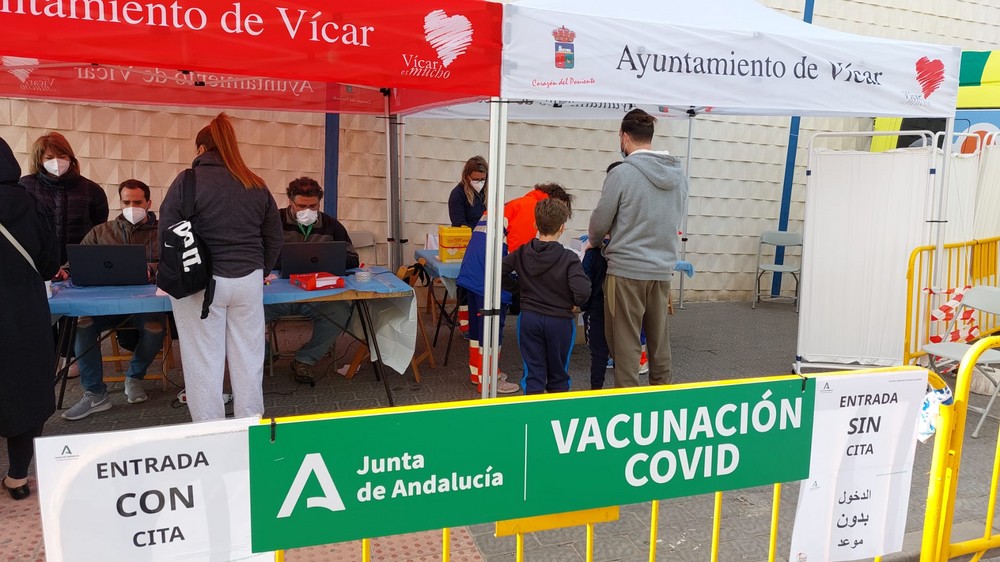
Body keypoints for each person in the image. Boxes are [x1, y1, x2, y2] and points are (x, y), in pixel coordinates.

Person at [159, 112, 283, 422]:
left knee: (204, 360)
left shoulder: (188, 181)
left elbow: (167, 233)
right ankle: (250, 425)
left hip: (201, 283)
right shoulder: (255, 183)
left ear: (201, 150)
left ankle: (210, 433)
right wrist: (261, 269)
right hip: (248, 280)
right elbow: (274, 235)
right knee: (248, 356)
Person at [588, 109, 688, 387]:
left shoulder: (622, 174)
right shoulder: (678, 175)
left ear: (624, 136)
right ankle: (660, 399)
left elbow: (599, 223)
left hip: (626, 270)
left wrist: (596, 242)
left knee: (626, 342)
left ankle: (628, 407)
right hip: (662, 269)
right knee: (658, 342)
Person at [61, 180, 166, 420]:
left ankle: (134, 377)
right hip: (104, 305)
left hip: (146, 304)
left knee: (155, 328)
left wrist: (155, 269)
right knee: (82, 325)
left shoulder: (163, 232)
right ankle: (95, 394)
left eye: (137, 202)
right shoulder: (100, 232)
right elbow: (75, 264)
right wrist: (64, 271)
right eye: (126, 202)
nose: (131, 206)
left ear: (149, 203)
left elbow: (177, 266)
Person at [456, 183, 574, 394]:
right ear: (554, 201)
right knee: (491, 329)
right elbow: (521, 254)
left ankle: (479, 374)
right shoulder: (530, 209)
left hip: (476, 272)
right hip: (491, 276)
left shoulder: (518, 203)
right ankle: (490, 381)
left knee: (478, 330)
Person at [0, 136, 60, 499]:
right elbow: (50, 263)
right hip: (23, 310)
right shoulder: (30, 203)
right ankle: (18, 476)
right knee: (26, 387)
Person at [265, 177, 358, 384]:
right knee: (241, 314)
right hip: (276, 297)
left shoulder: (332, 225)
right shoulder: (273, 222)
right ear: (290, 202)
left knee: (340, 310)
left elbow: (353, 258)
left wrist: (326, 259)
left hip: (317, 297)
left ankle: (305, 359)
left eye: (313, 206)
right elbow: (256, 255)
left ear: (319, 203)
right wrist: (286, 260)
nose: (307, 210)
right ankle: (264, 355)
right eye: (301, 206)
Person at [502, 198, 590, 394]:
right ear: (562, 228)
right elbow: (583, 291)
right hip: (560, 320)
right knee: (558, 374)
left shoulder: (522, 252)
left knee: (533, 372)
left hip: (529, 318)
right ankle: (554, 418)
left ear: (535, 224)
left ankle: (531, 420)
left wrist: (518, 289)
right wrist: (575, 304)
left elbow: (500, 271)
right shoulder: (569, 258)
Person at [20, 131, 109, 265]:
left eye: (62, 156)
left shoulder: (92, 190)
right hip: (37, 263)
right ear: (40, 159)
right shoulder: (25, 186)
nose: (56, 162)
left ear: (70, 158)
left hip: (81, 262)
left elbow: (98, 229)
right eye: (49, 158)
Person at [448, 156, 488, 228]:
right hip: (467, 236)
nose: (480, 182)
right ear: (467, 177)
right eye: (476, 179)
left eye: (482, 179)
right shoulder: (458, 194)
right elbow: (458, 223)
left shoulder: (489, 192)